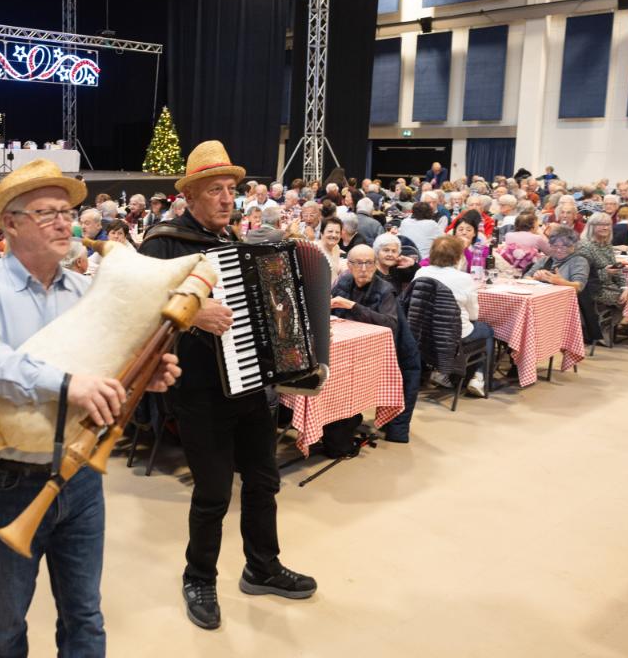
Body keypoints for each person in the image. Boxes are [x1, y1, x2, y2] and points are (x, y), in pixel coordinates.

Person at [0, 160, 180, 655]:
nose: (64, 223)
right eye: (47, 213)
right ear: (11, 224)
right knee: (6, 621)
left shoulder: (85, 291)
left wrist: (143, 380)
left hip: (82, 478)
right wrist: (67, 385)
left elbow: (109, 372)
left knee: (85, 616)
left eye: (67, 212)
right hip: (6, 479)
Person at [140, 141, 315, 631]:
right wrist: (193, 311)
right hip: (199, 392)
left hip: (251, 384)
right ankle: (199, 577)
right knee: (213, 492)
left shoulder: (234, 242)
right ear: (190, 196)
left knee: (263, 481)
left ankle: (262, 566)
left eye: (230, 189)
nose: (225, 198)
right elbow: (133, 305)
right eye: (214, 190)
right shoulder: (163, 243)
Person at [332, 245, 421, 443]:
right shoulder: (344, 281)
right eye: (358, 263)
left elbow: (390, 324)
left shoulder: (385, 289)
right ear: (349, 265)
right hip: (357, 346)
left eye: (369, 263)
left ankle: (394, 429)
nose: (364, 269)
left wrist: (352, 306)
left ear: (375, 265)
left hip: (393, 351)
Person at [413, 235, 493, 396]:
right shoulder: (464, 278)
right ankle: (478, 377)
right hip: (454, 335)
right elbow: (474, 315)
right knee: (487, 330)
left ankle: (444, 372)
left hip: (424, 333)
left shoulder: (421, 272)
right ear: (458, 256)